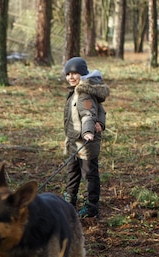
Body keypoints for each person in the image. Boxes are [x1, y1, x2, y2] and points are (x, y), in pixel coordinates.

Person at [62, 57, 110, 219]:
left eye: (74, 73)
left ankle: (91, 206)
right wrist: (100, 123)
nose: (70, 77)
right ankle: (69, 200)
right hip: (75, 142)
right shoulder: (77, 91)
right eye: (68, 74)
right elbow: (101, 111)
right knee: (72, 172)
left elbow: (89, 114)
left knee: (89, 174)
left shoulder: (84, 94)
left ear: (82, 74)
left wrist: (88, 131)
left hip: (86, 144)